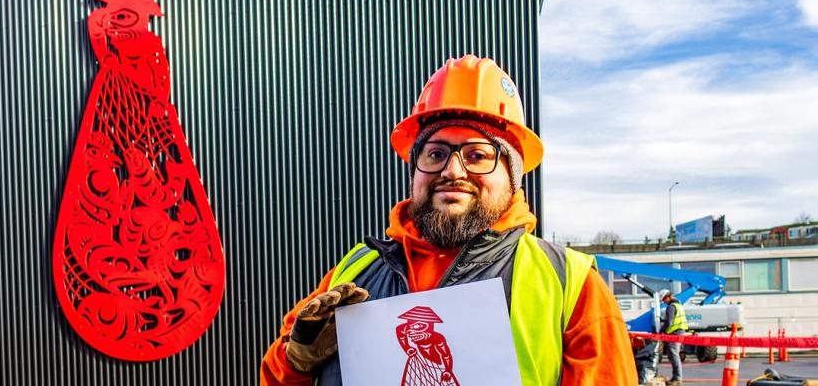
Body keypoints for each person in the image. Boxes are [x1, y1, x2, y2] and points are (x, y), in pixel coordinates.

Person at [259, 55, 636, 386]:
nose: (453, 170)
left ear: (511, 176)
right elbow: (276, 379)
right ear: (415, 171)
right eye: (436, 153)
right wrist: (297, 362)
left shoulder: (568, 282)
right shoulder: (354, 270)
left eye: (477, 155)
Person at [658, 289, 689, 384]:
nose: (664, 302)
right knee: (674, 355)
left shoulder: (671, 307)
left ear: (668, 297)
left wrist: (661, 331)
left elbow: (669, 322)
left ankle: (677, 378)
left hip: (674, 334)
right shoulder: (679, 305)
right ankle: (676, 377)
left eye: (664, 300)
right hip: (680, 332)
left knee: (674, 355)